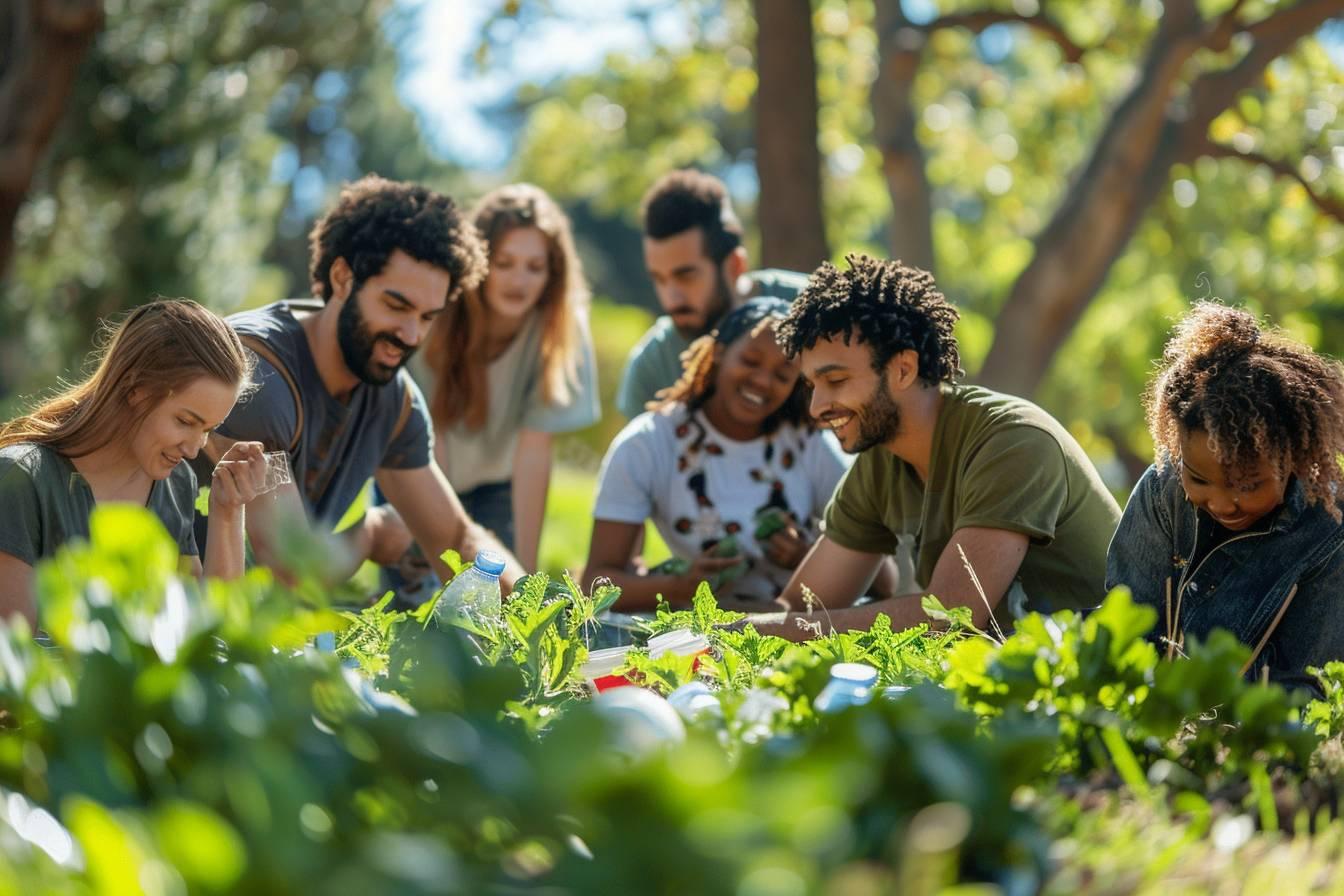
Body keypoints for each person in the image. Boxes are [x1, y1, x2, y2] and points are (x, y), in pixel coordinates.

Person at [190, 175, 525, 589]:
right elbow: (291, 567)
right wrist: (371, 536)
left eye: (427, 317)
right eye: (396, 305)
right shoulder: (254, 374)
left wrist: (540, 611)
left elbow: (457, 538)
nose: (411, 335)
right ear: (343, 278)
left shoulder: (393, 399)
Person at [765, 254, 1121, 638]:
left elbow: (950, 616)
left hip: (1099, 682)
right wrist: (726, 635)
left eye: (835, 380)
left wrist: (770, 630)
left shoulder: (1013, 442)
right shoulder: (881, 458)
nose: (816, 408)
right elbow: (800, 609)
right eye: (810, 386)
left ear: (903, 369)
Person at [1106, 303, 1344, 691]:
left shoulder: (1330, 531)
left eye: (1248, 486)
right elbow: (1127, 629)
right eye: (1198, 479)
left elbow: (1310, 687)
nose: (1221, 503)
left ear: (1294, 462)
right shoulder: (1161, 488)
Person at [0, 299, 268, 626]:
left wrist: (227, 511)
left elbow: (209, 634)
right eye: (185, 421)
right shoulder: (21, 481)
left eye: (208, 429)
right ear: (135, 388)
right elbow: (17, 660)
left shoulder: (175, 484)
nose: (194, 450)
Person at [584, 297, 851, 611]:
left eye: (782, 375)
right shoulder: (649, 443)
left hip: (794, 629)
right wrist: (680, 587)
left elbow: (884, 578)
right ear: (719, 353)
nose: (762, 381)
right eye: (750, 361)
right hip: (697, 632)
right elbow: (597, 584)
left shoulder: (811, 444)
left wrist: (808, 557)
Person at [420, 183, 600, 572]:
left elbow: (534, 450)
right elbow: (429, 439)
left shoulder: (562, 329)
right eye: (504, 263)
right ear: (479, 260)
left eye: (535, 267)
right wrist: (443, 561)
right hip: (421, 471)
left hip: (499, 486)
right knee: (415, 603)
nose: (519, 280)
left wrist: (526, 577)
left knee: (499, 593)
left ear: (553, 273)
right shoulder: (437, 314)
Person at [615, 169, 809, 419]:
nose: (671, 298)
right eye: (659, 279)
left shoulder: (815, 308)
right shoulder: (651, 369)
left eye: (685, 276)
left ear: (735, 266)